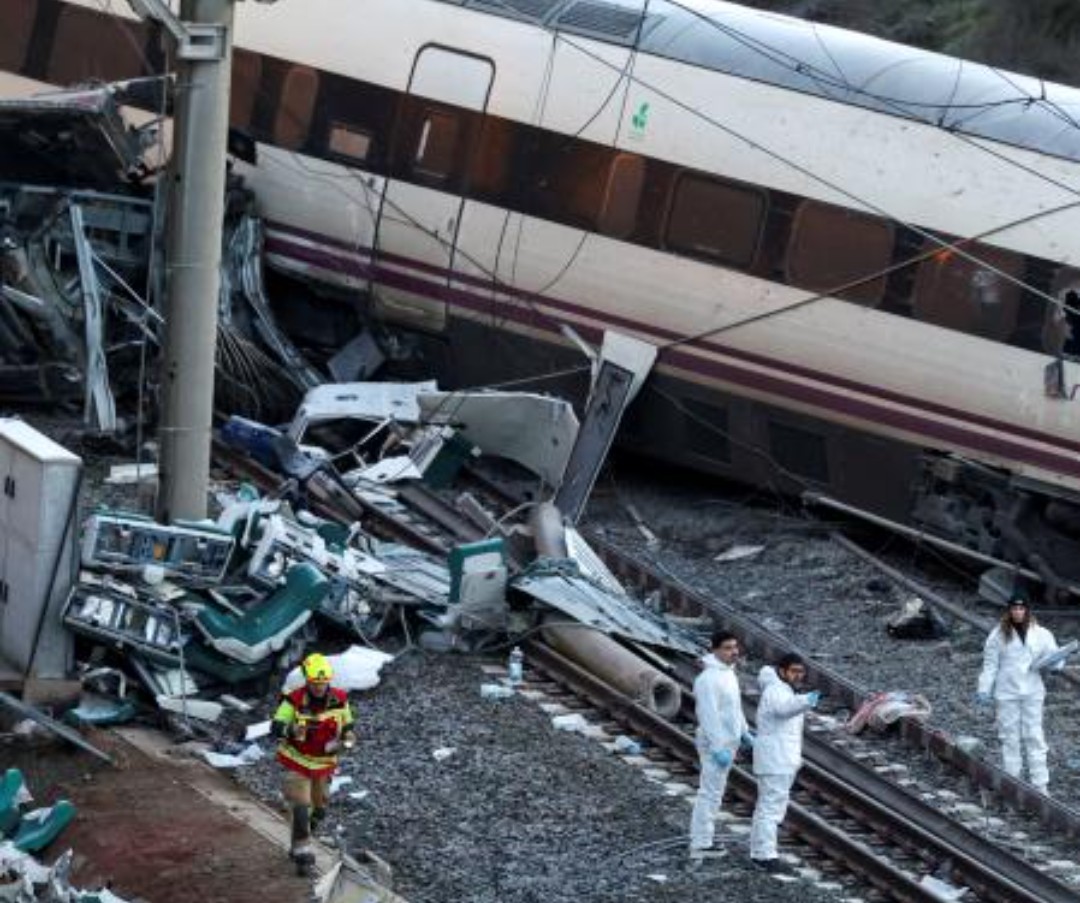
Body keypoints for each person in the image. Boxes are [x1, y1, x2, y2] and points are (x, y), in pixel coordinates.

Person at [271, 652, 357, 868]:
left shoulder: (340, 699)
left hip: (324, 764)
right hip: (297, 761)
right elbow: (276, 725)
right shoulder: (294, 700)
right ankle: (302, 849)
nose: (319, 687)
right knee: (301, 805)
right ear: (307, 680)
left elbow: (348, 724)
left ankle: (300, 838)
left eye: (323, 682)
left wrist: (348, 736)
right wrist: (291, 729)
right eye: (315, 683)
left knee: (319, 810)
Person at [975, 589, 1063, 793]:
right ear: (1009, 610)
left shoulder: (1041, 634)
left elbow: (1054, 656)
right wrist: (984, 689)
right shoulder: (997, 635)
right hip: (1007, 692)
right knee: (1009, 736)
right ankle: (1012, 782)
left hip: (1033, 690)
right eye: (1014, 608)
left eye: (1021, 608)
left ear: (1027, 610)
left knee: (1034, 735)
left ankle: (1040, 785)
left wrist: (1056, 665)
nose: (1018, 611)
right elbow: (990, 666)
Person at [749, 653, 820, 873]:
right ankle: (765, 856)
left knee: (771, 807)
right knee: (770, 808)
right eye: (794, 671)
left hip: (780, 759)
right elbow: (784, 709)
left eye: (801, 672)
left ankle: (760, 852)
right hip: (776, 760)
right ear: (782, 671)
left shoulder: (782, 689)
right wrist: (806, 700)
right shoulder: (776, 691)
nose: (798, 676)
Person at [689, 630, 753, 859]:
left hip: (729, 740)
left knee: (715, 791)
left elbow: (733, 708)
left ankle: (704, 838)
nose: (734, 652)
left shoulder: (728, 673)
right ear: (714, 650)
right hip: (716, 742)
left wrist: (744, 731)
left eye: (735, 647)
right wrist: (717, 748)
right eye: (727, 648)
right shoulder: (707, 679)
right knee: (710, 792)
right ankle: (701, 842)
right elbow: (708, 716)